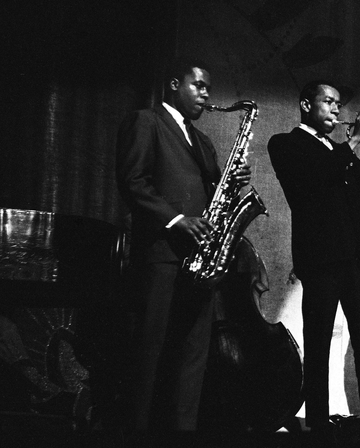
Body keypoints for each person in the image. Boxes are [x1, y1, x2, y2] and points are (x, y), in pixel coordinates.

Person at [115, 57, 251, 445]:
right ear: (174, 84)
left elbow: (213, 197)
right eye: (199, 86)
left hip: (200, 261)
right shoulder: (147, 121)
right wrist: (177, 220)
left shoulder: (203, 140)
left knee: (193, 358)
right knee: (149, 355)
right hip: (163, 255)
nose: (206, 95)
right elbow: (133, 182)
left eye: (208, 88)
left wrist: (232, 180)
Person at [267, 80, 360, 443]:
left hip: (354, 260)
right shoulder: (286, 144)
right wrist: (351, 143)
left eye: (339, 104)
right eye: (329, 102)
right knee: (318, 343)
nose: (337, 109)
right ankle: (318, 425)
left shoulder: (339, 149)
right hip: (321, 260)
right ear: (306, 104)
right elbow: (313, 182)